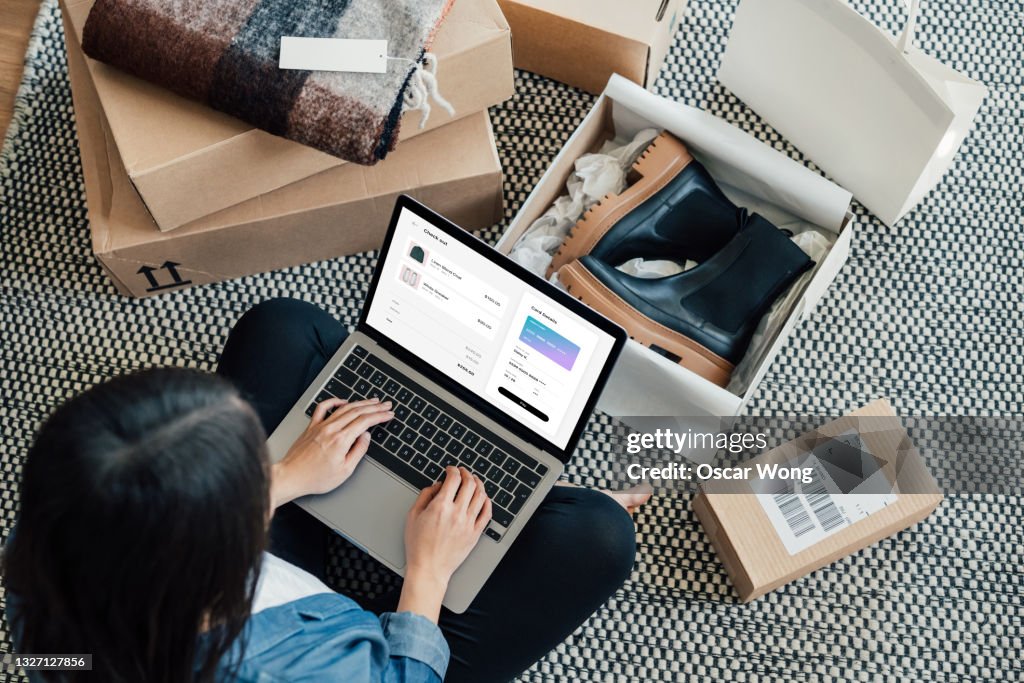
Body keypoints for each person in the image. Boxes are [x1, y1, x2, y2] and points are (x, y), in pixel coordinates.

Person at [4, 298, 648, 682]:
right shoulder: (310, 671)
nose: (265, 458)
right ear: (220, 553)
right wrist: (427, 573)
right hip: (365, 650)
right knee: (597, 535)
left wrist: (289, 474)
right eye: (250, 473)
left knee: (283, 326)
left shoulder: (46, 561)